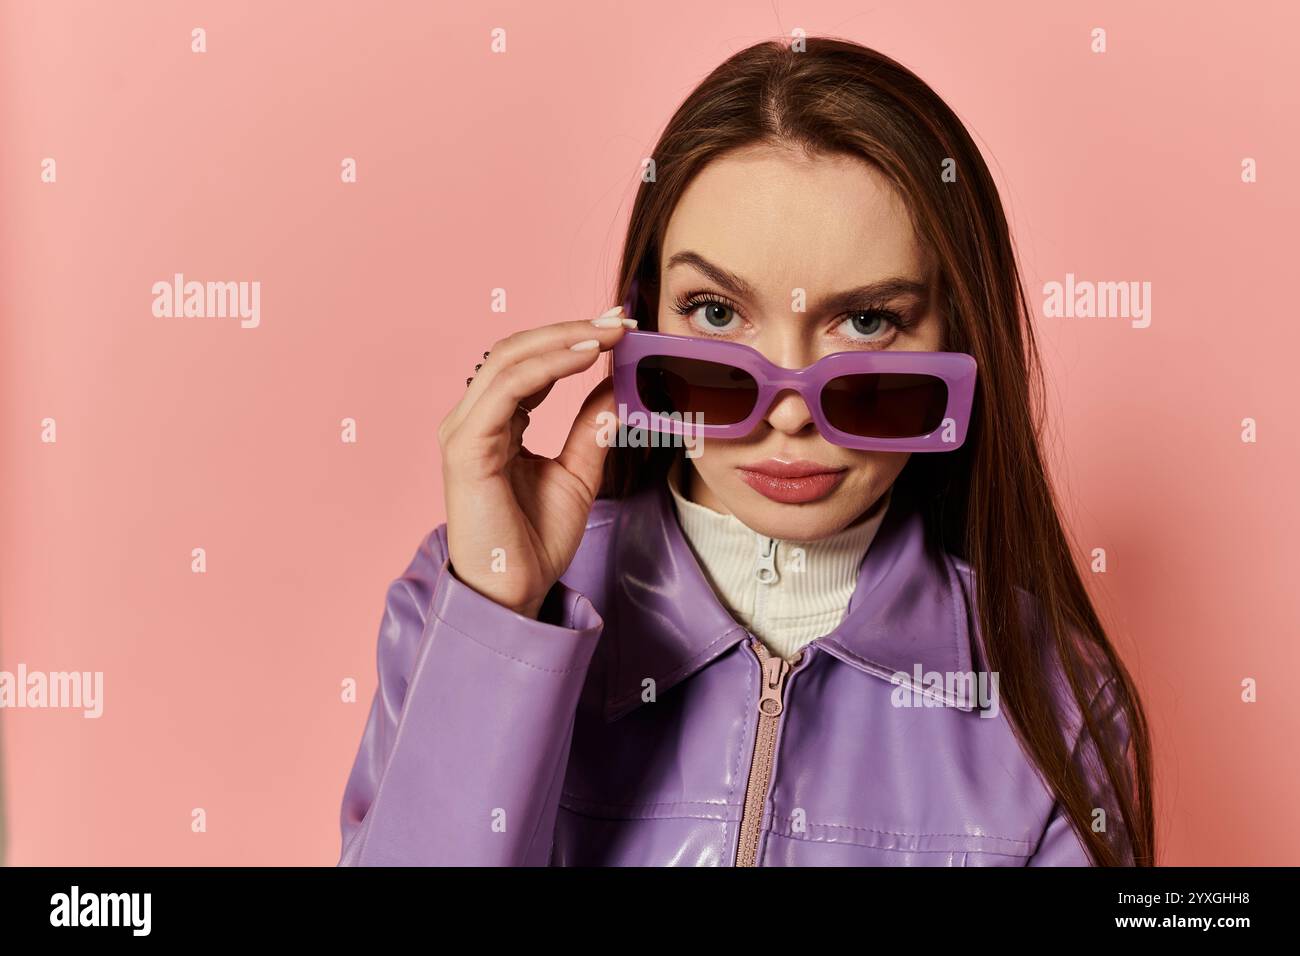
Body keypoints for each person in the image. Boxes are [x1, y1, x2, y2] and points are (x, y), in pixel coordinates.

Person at [337, 36, 1154, 867]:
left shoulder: (1057, 699)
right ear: (641, 316)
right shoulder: (459, 608)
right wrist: (501, 624)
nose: (792, 410)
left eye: (867, 320)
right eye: (718, 312)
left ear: (955, 335)